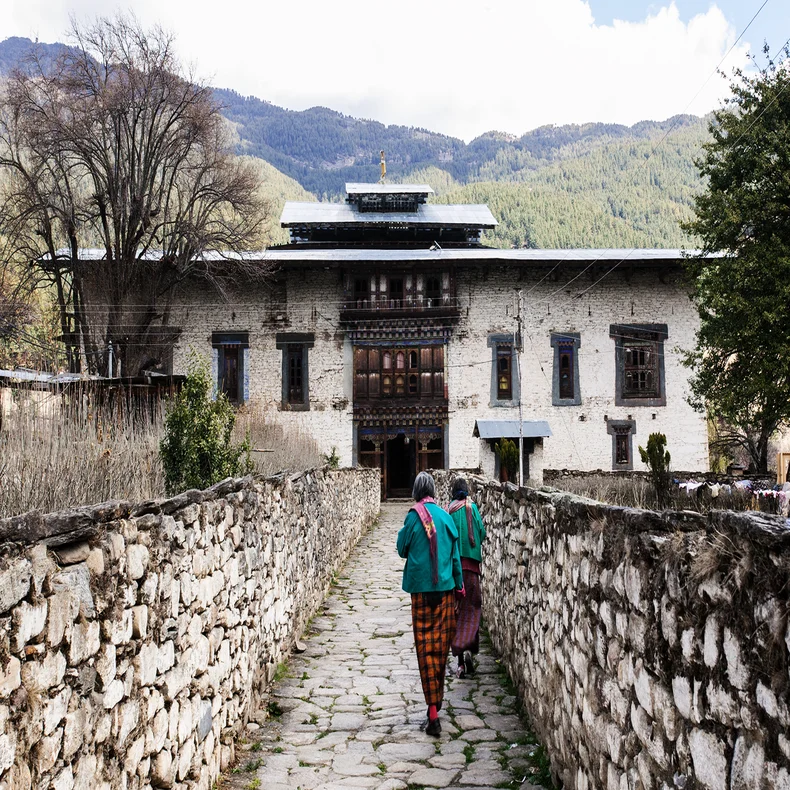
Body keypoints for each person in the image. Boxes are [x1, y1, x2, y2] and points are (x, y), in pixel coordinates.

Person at [397, 471, 464, 736]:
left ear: (415, 491)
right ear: (434, 491)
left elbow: (402, 549)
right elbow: (455, 557)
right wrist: (459, 587)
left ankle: (433, 713)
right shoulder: (446, 517)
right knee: (440, 651)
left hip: (421, 594)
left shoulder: (413, 518)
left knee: (425, 652)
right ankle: (435, 707)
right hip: (446, 592)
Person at [448, 477, 486, 678]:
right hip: (472, 571)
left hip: (454, 571)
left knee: (457, 612)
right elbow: (482, 533)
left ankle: (460, 662)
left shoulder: (449, 511)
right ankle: (470, 649)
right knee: (472, 609)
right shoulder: (472, 508)